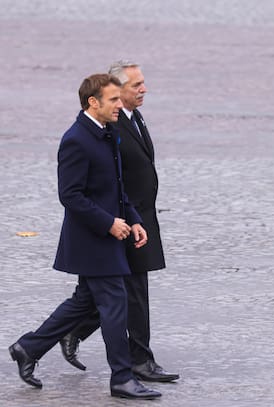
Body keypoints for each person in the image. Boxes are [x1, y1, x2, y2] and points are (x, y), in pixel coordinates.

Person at [9, 73, 161, 400]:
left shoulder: (106, 133)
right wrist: (109, 224)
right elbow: (71, 195)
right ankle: (122, 378)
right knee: (115, 304)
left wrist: (133, 220)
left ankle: (28, 347)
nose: (120, 105)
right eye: (114, 100)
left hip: (108, 237)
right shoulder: (76, 139)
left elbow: (118, 186)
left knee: (83, 303)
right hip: (92, 242)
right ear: (93, 102)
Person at [59, 61, 179, 383]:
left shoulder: (133, 118)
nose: (144, 89)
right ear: (116, 90)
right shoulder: (108, 127)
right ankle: (139, 361)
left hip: (138, 218)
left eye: (142, 83)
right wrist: (120, 219)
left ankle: (70, 332)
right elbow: (94, 184)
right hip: (119, 221)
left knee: (106, 293)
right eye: (136, 85)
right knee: (126, 293)